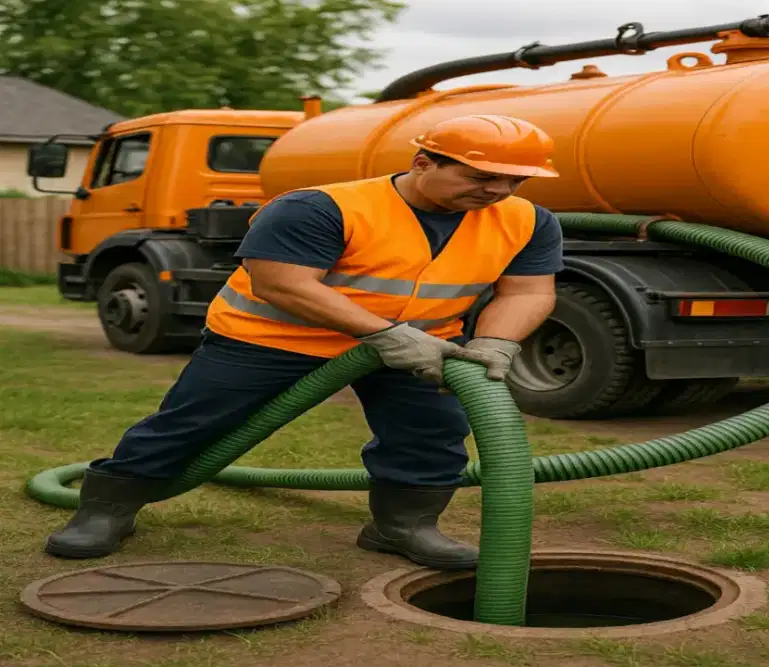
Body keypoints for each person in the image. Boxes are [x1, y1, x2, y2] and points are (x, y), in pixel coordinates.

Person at [44, 114, 564, 570]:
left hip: (424, 344)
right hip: (271, 338)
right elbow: (282, 284)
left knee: (430, 433)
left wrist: (495, 344)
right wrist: (384, 334)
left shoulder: (527, 220)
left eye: (514, 180)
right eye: (480, 176)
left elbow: (528, 291)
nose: (497, 190)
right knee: (192, 423)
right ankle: (105, 511)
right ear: (424, 162)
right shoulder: (320, 208)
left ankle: (403, 526)